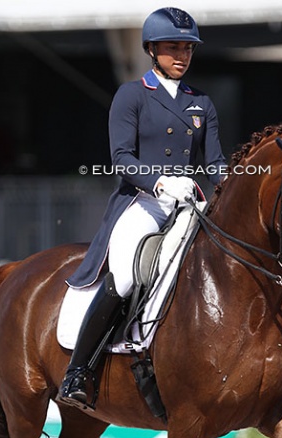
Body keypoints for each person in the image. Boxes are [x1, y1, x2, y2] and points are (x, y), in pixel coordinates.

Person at [59, 6, 227, 407]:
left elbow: (216, 163)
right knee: (126, 276)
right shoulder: (132, 94)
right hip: (144, 201)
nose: (182, 55)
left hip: (189, 203)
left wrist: (232, 187)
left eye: (188, 48)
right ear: (151, 49)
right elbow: (120, 157)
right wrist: (160, 180)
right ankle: (78, 371)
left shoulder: (201, 102)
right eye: (173, 47)